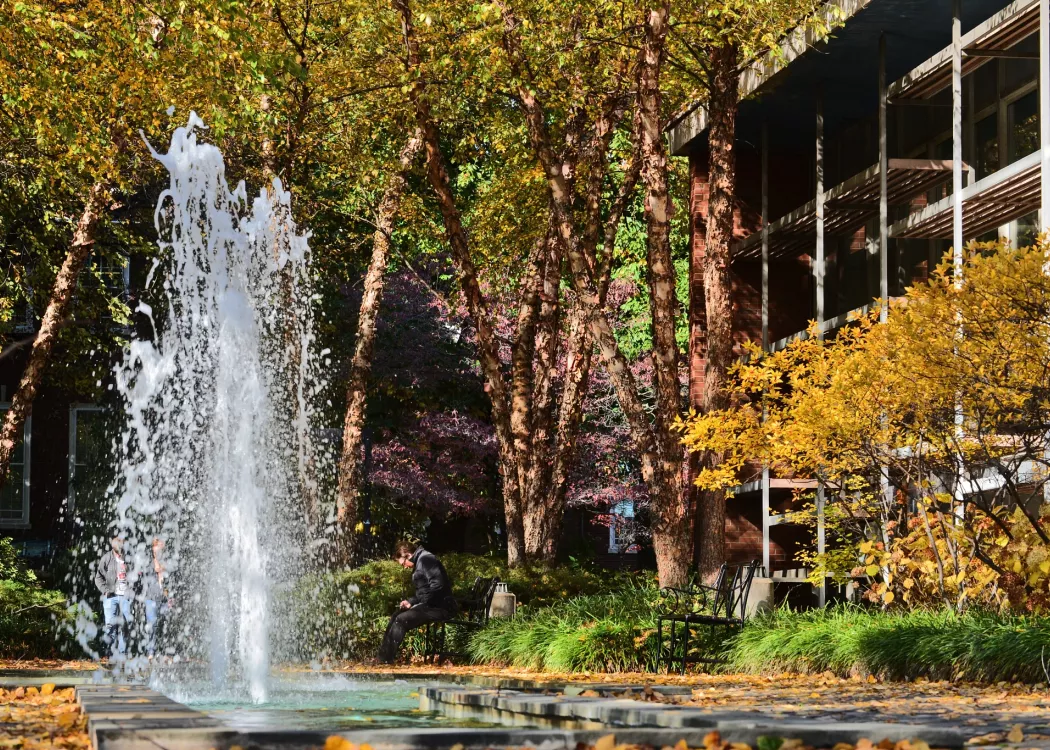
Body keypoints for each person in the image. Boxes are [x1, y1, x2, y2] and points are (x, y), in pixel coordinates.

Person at [377, 541, 457, 664]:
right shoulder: (420, 560)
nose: (404, 567)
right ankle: (382, 658)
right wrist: (411, 602)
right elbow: (424, 592)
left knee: (401, 620)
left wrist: (420, 604)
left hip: (441, 607)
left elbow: (438, 585)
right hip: (432, 605)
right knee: (395, 616)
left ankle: (385, 660)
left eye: (403, 563)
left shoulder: (426, 559)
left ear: (408, 555)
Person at [93, 534, 132, 659]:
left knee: (125, 625)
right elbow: (98, 577)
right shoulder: (106, 558)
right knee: (110, 626)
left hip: (126, 596)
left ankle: (122, 654)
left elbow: (137, 575)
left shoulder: (129, 558)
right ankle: (111, 654)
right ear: (114, 548)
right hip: (111, 596)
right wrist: (105, 591)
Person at [141, 538, 172, 657]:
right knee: (152, 626)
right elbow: (143, 577)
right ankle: (151, 652)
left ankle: (164, 651)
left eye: (160, 551)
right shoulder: (149, 563)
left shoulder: (167, 564)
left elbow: (171, 581)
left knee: (166, 625)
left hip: (164, 601)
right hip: (151, 600)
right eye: (155, 551)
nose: (158, 553)